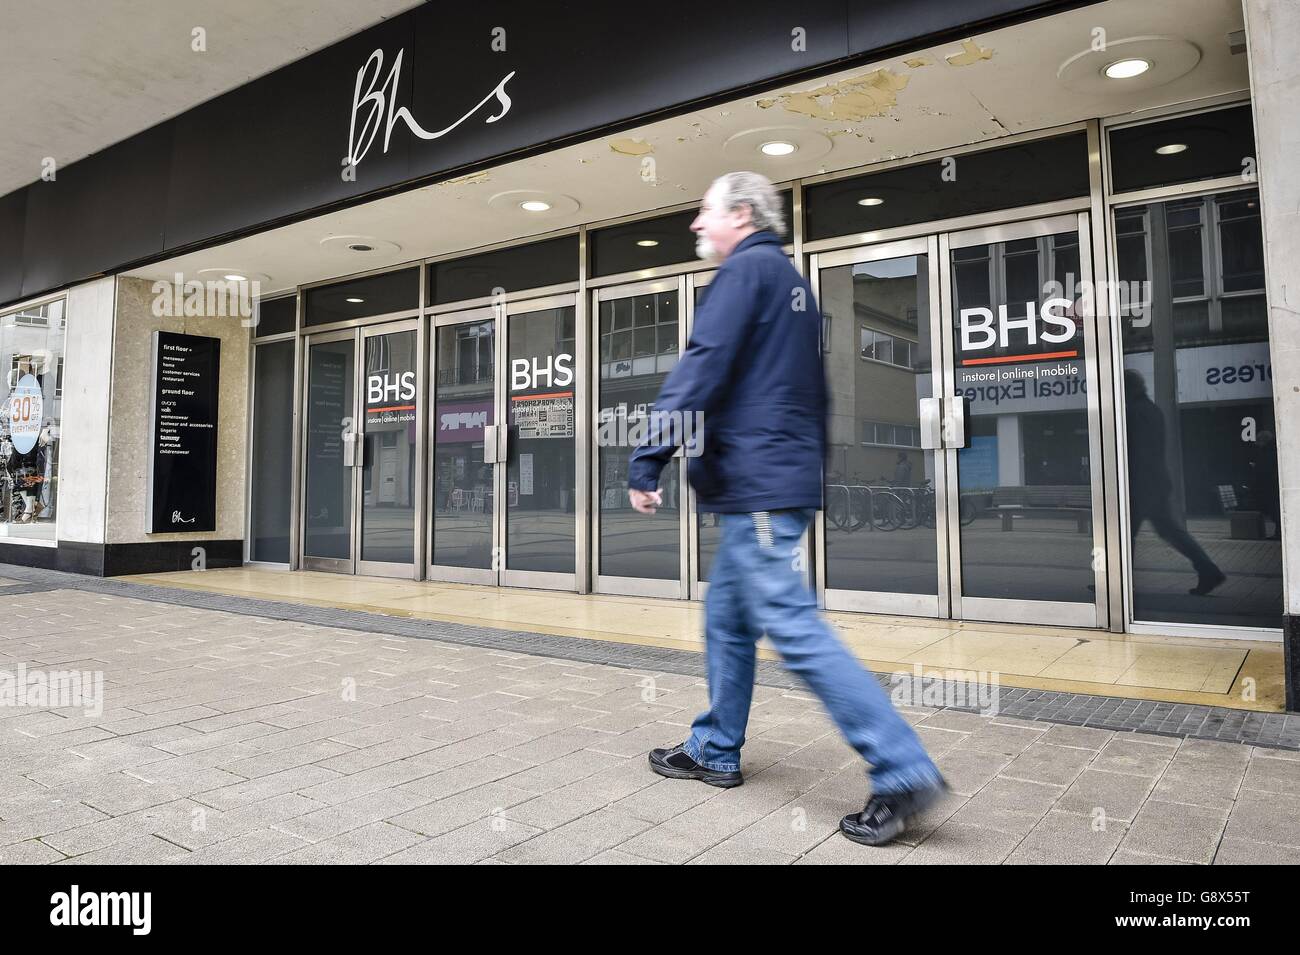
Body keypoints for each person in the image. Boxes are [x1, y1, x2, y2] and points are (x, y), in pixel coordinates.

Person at [627, 171, 946, 847]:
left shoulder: (746, 275)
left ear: (740, 214)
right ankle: (714, 747)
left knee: (793, 627)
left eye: (703, 211)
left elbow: (701, 365)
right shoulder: (790, 281)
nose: (695, 225)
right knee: (728, 619)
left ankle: (902, 767)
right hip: (771, 479)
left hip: (762, 484)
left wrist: (647, 455)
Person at [1124, 369, 1225, 595]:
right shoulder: (1151, 409)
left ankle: (1116, 580)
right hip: (1154, 482)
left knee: (1123, 534)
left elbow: (1135, 451)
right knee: (1168, 531)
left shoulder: (1133, 412)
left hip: (1140, 485)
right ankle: (1208, 570)